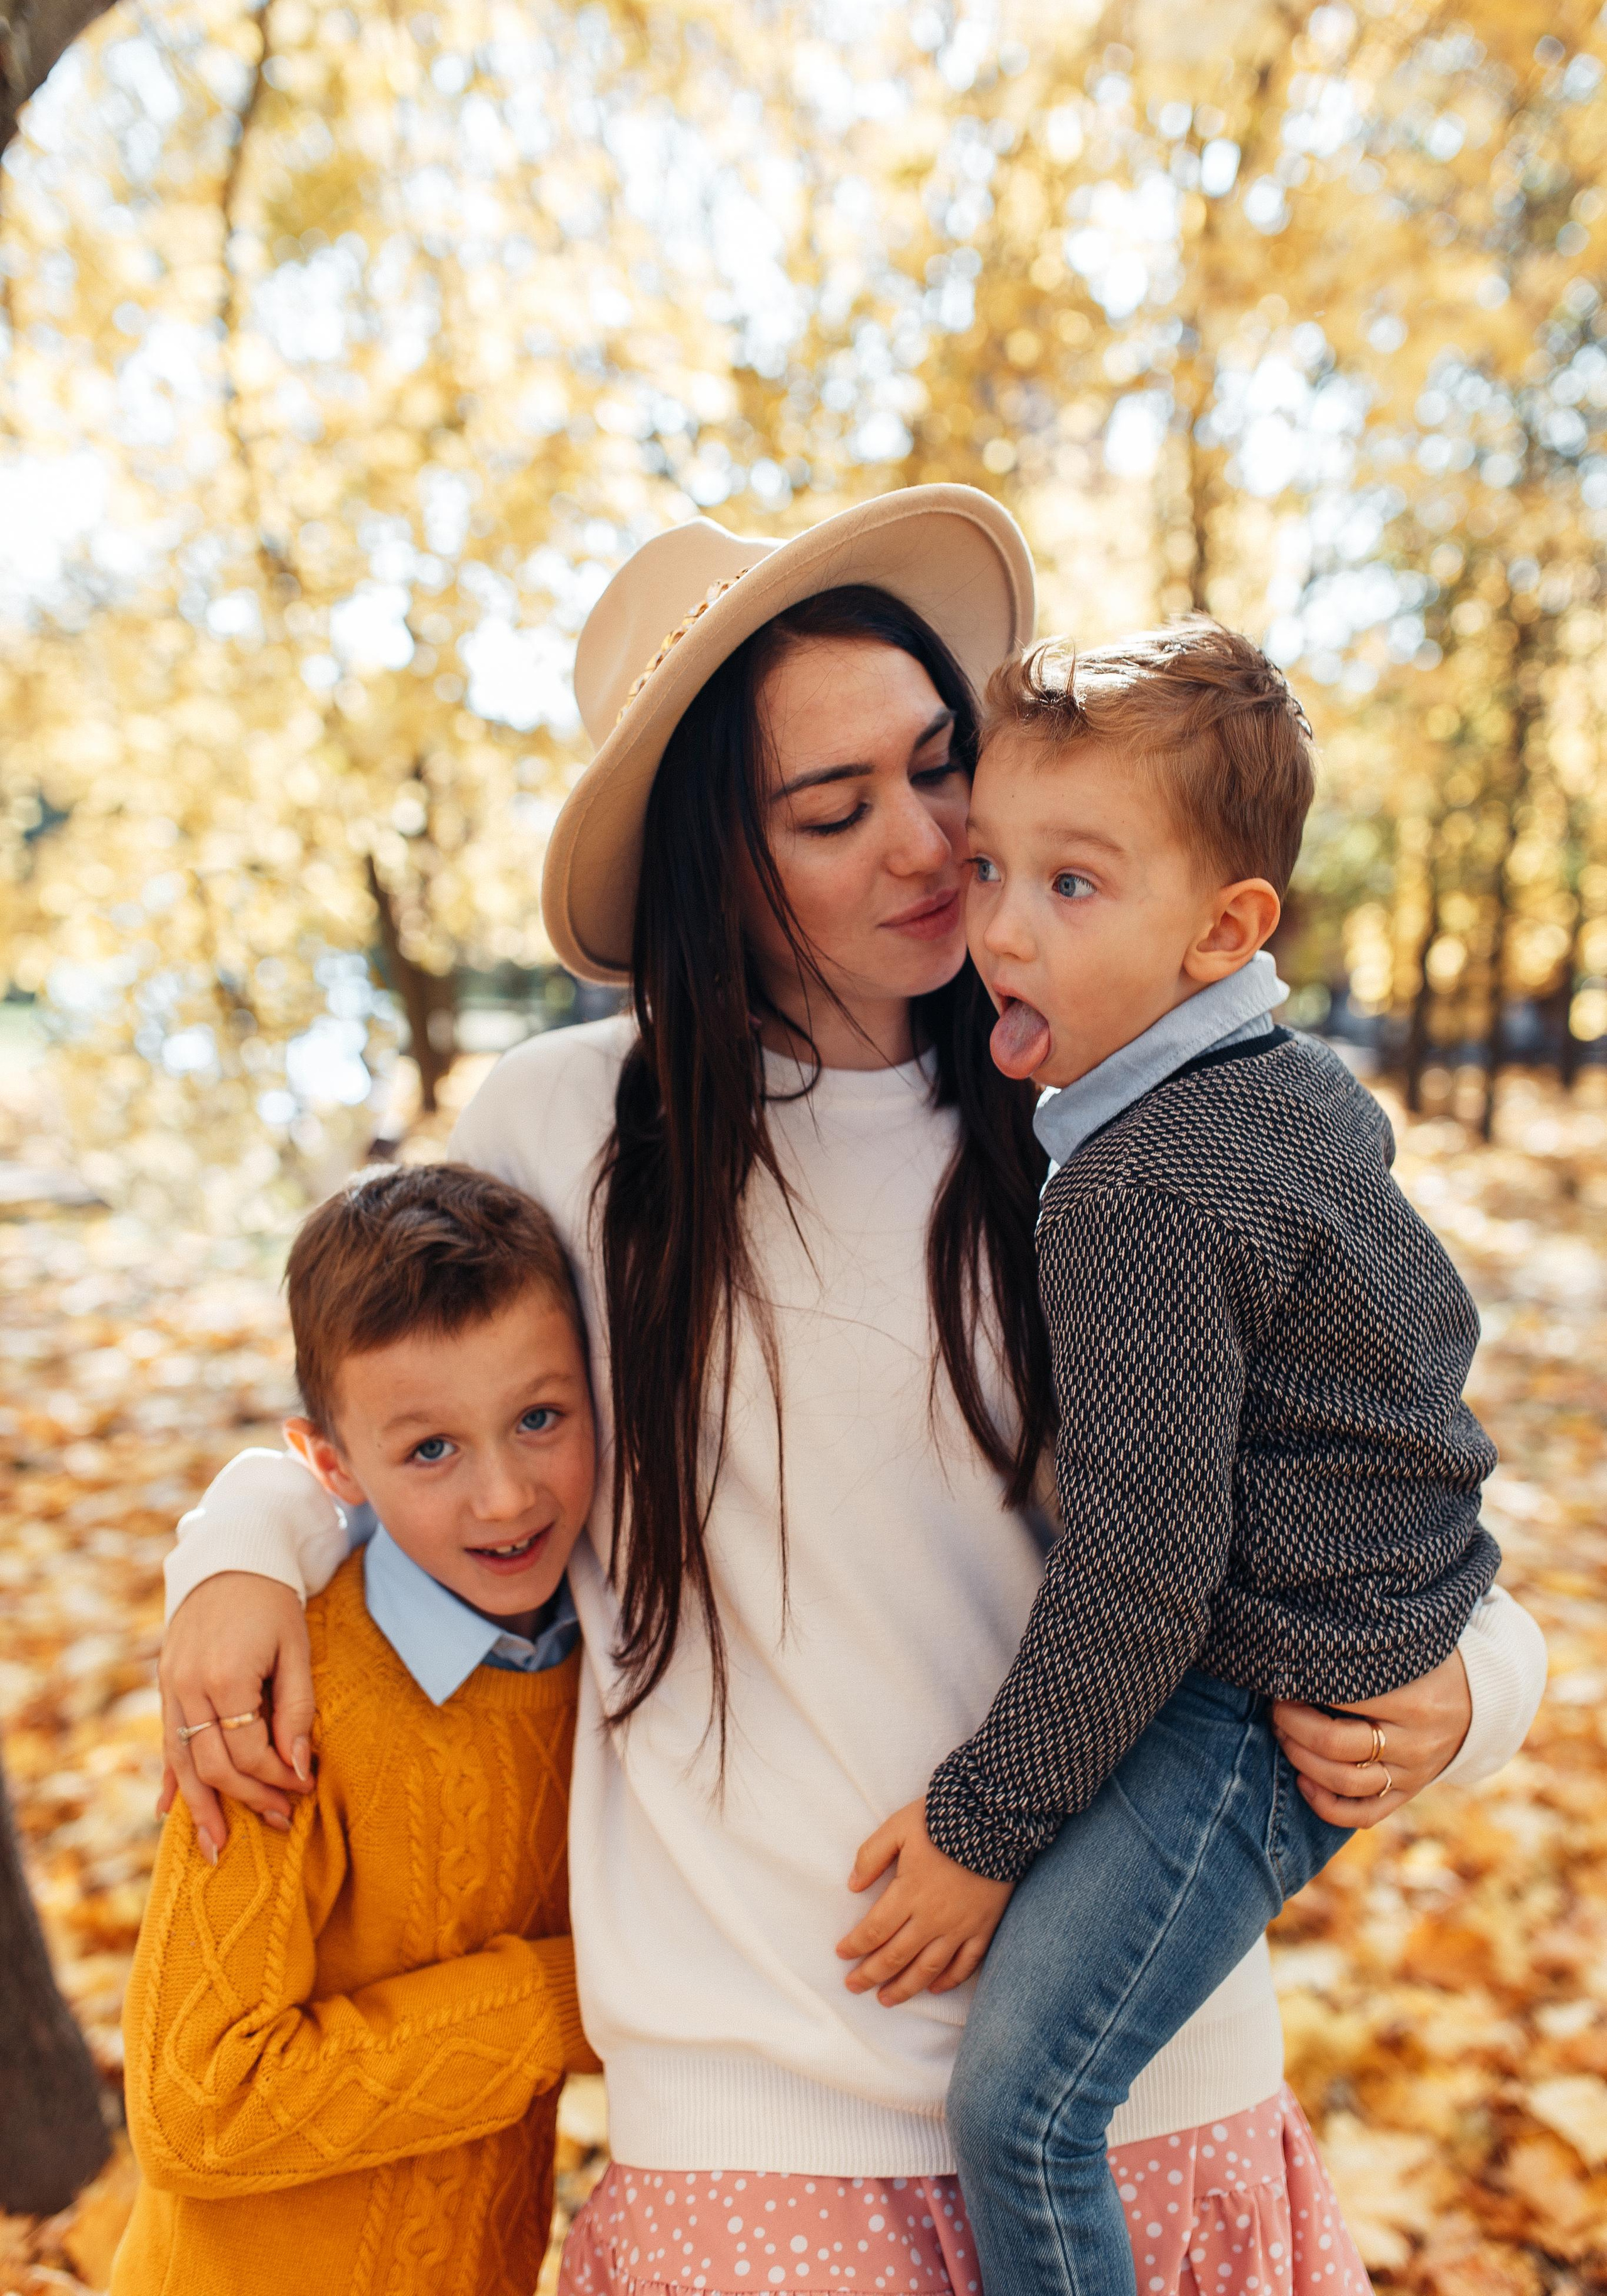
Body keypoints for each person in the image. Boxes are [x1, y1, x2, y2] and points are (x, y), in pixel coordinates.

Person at [153, 488, 1547, 2296]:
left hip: (1143, 2100)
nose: (929, 839)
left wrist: (1472, 1693)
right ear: (713, 865)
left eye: (940, 765)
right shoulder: (568, 1128)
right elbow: (404, 1412)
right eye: (835, 809)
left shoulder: (1138, 1106)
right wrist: (241, 1546)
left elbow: (1394, 1471)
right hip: (762, 2124)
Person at [836, 621, 1507, 2296]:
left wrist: (983, 1825)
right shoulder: (1291, 1082)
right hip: (1336, 1624)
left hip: (1253, 1696)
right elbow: (1423, 1336)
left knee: (1023, 2106)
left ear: (1227, 931)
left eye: (1074, 886)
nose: (995, 926)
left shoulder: (1140, 1180)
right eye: (993, 865)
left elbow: (1142, 1579)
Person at [113, 1166, 598, 2296]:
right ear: (332, 1467)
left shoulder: (615, 1657)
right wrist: (550, 2004)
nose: (505, 1499)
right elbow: (196, 2108)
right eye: (431, 1450)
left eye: (539, 1418)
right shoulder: (281, 1700)